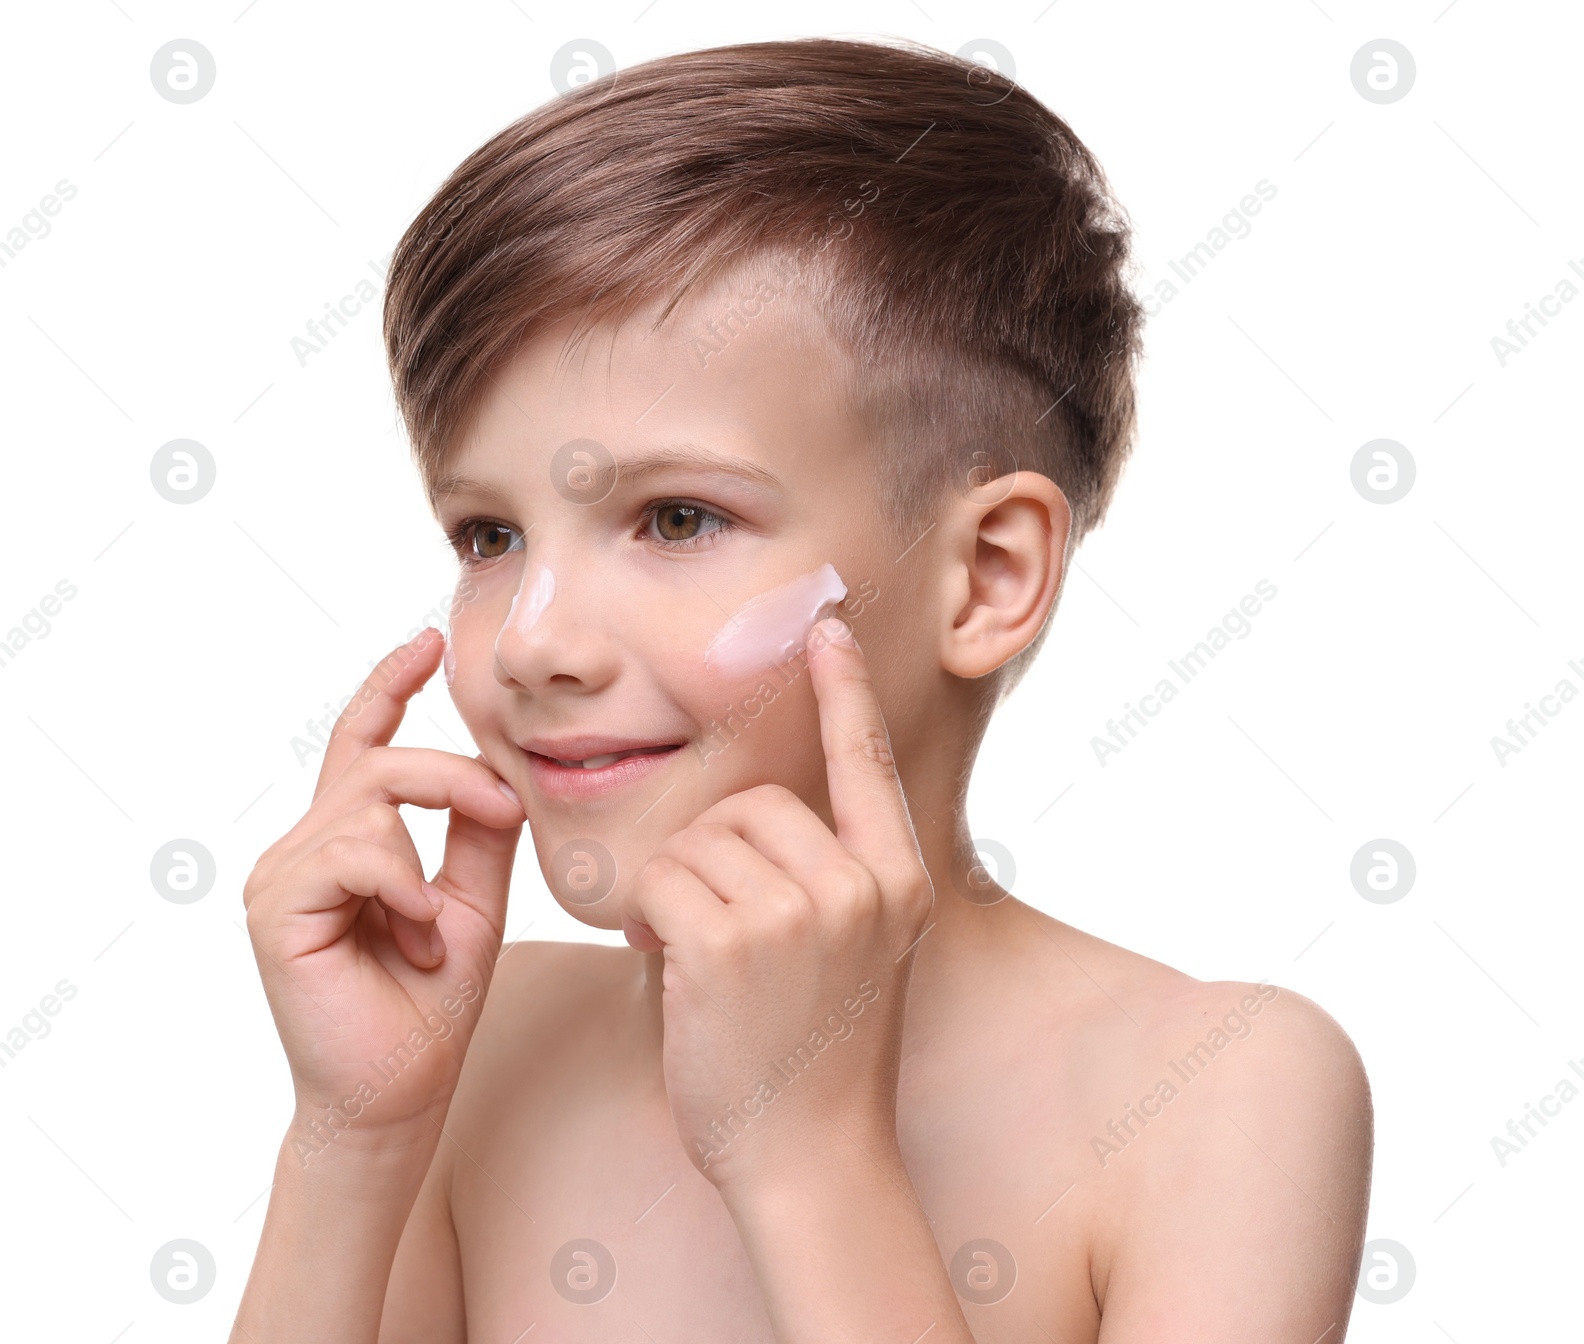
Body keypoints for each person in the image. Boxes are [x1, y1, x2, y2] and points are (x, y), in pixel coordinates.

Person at [232, 34, 1373, 1343]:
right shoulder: (486, 1045)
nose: (533, 643)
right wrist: (352, 1142)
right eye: (490, 536)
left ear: (987, 576)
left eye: (673, 519)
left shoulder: (1216, 1095)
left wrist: (808, 1154)